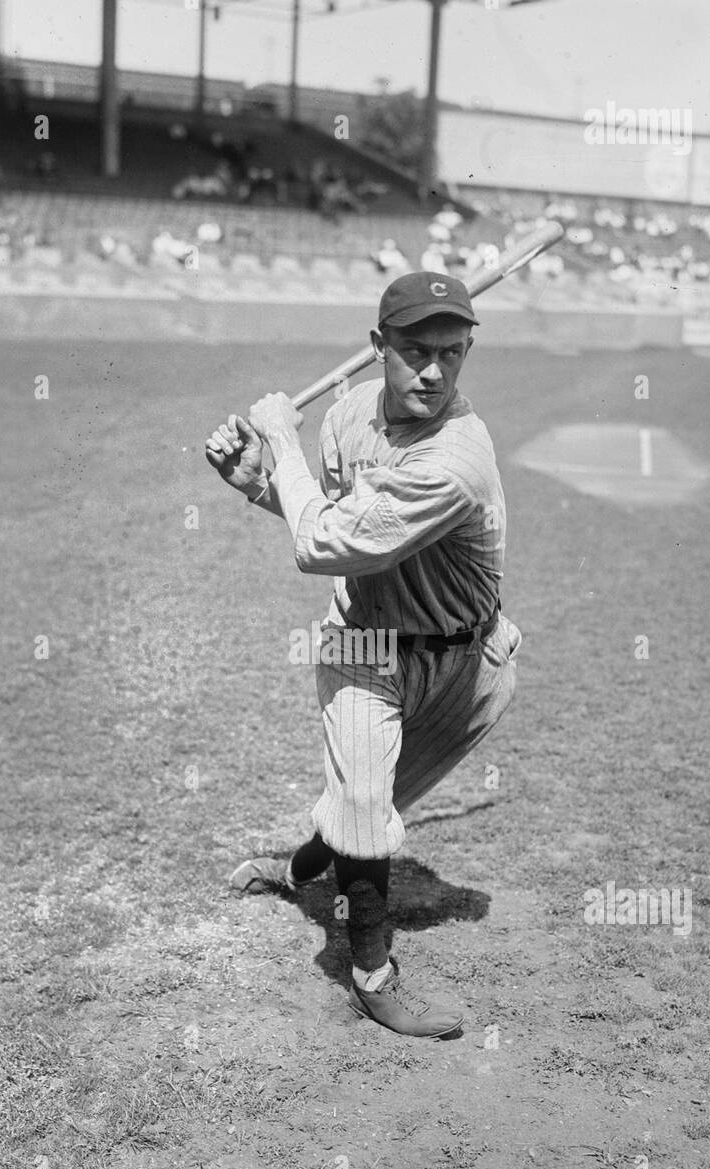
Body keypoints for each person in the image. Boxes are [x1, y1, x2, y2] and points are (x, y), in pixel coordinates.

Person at [204, 272, 522, 1038]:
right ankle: (374, 977)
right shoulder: (346, 418)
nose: (435, 372)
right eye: (415, 351)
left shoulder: (459, 457)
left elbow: (325, 542)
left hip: (468, 664)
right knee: (363, 808)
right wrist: (264, 484)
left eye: (452, 353)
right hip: (366, 643)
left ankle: (296, 869)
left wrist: (278, 440)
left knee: (371, 809)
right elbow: (341, 523)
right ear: (377, 347)